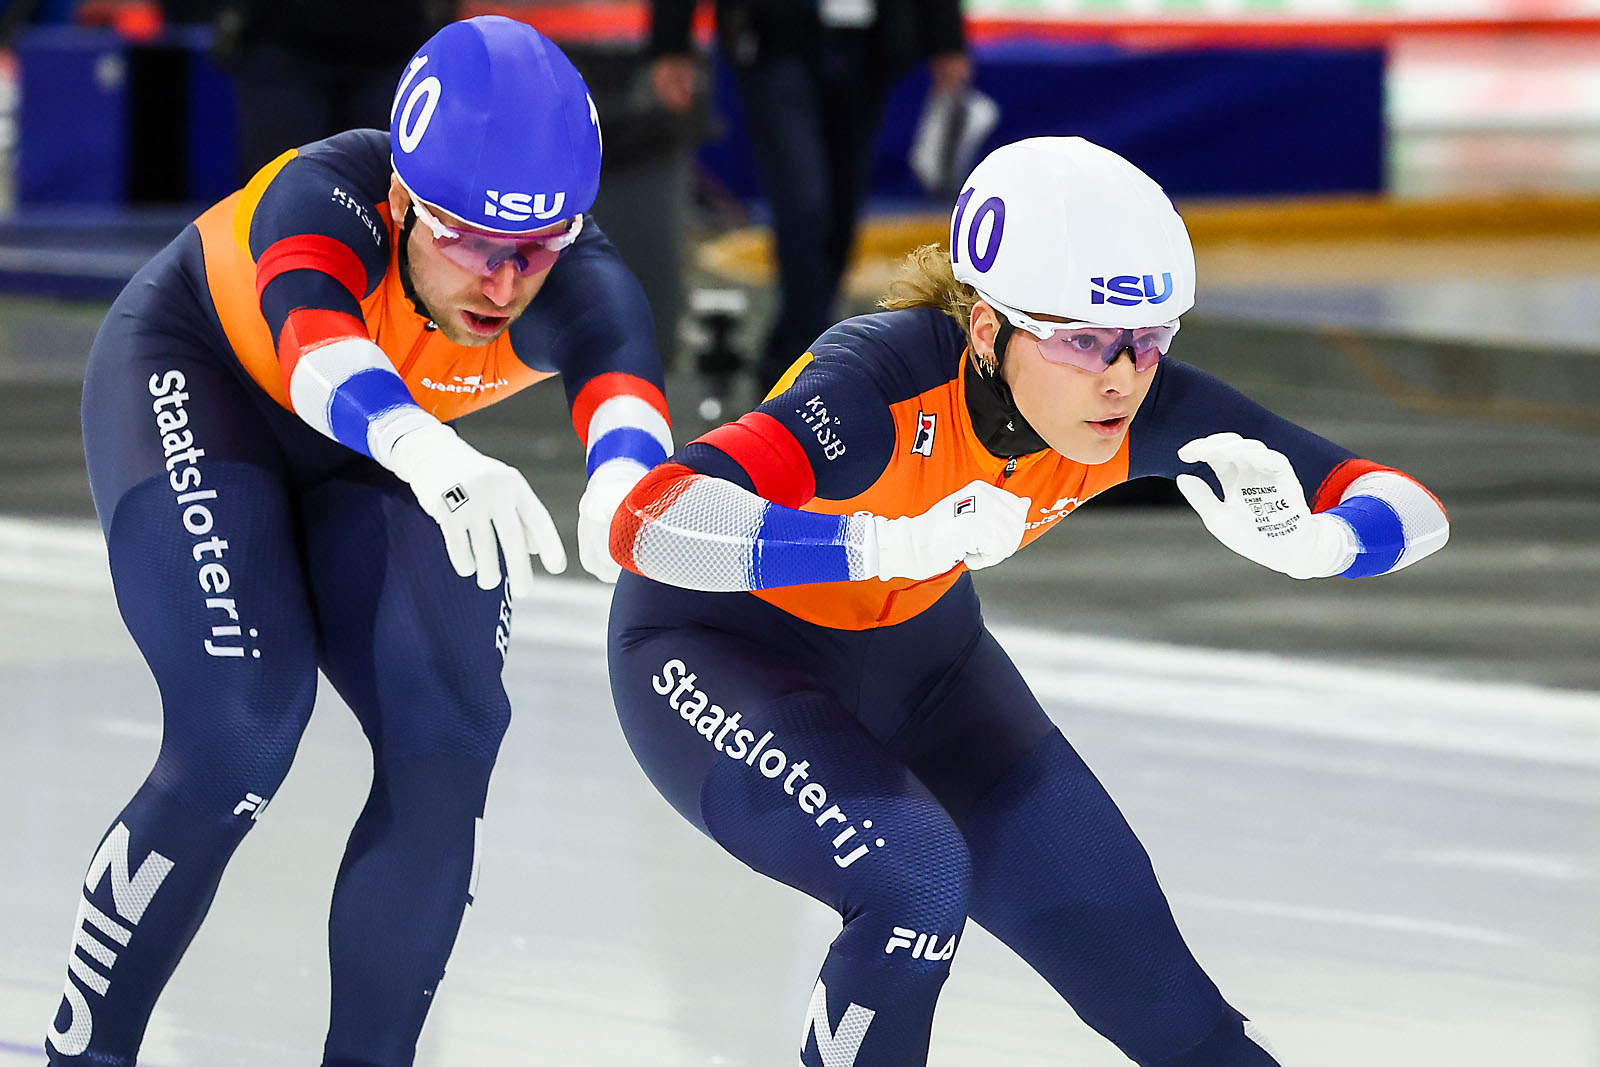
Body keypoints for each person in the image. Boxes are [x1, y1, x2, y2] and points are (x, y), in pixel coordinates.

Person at [605, 136, 1448, 1067]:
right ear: (985, 333)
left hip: (923, 667)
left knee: (1163, 998)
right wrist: (887, 543)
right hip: (719, 649)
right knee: (916, 881)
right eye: (1085, 339)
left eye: (1151, 337)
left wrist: (1316, 544)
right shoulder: (874, 387)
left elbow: (1414, 508)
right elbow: (649, 522)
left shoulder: (1136, 403)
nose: (1122, 376)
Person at [47, 16, 672, 1067]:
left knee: (453, 732)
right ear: (401, 201)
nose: (503, 282)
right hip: (201, 385)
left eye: (535, 247)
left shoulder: (570, 270)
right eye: (469, 240)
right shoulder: (323, 193)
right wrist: (431, 453)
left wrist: (624, 487)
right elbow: (313, 343)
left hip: (382, 446)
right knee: (240, 727)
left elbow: (625, 395)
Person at [649, 0, 971, 392]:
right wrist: (670, 42)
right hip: (776, 41)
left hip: (869, 44)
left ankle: (791, 357)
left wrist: (947, 38)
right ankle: (807, 368)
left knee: (840, 215)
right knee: (804, 207)